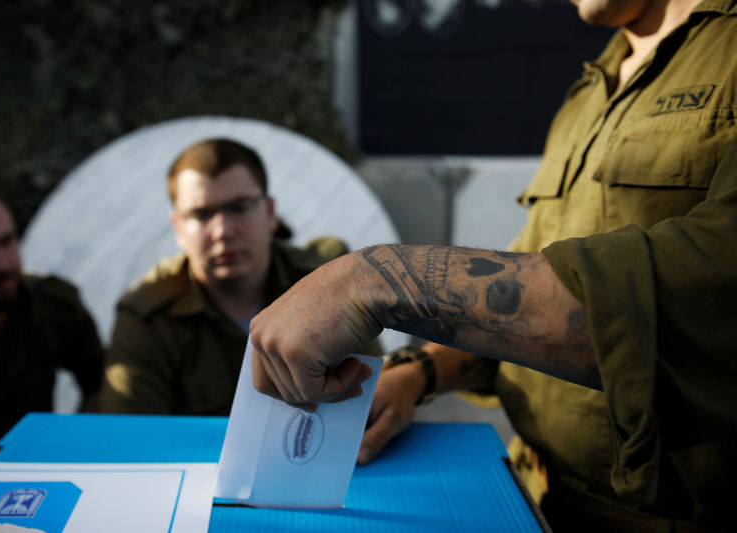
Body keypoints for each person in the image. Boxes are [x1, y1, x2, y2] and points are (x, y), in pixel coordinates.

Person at [250, 0, 737, 530]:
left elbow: (710, 290)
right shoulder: (590, 90)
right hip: (534, 491)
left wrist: (375, 278)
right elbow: (530, 297)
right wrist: (419, 373)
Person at [100, 138, 382, 415]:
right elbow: (129, 436)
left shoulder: (326, 282)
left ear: (270, 212)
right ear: (178, 228)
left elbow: (375, 392)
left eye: (239, 207)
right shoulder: (149, 314)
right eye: (201, 214)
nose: (223, 230)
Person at [0, 177, 104, 460]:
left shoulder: (52, 305)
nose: (1, 264)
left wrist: (73, 446)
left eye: (6, 241)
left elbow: (101, 383)